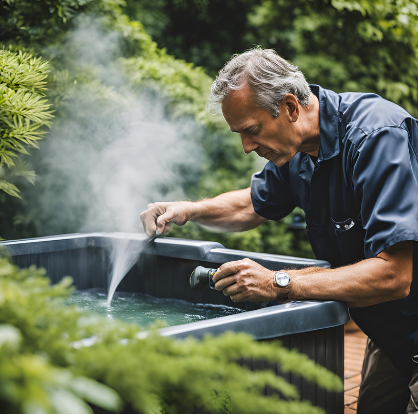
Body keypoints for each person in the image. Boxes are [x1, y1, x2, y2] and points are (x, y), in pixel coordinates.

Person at [140, 48, 418, 414]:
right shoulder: (298, 151)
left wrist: (278, 283)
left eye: (251, 131)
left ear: (290, 107)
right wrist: (189, 210)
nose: (246, 147)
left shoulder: (375, 137)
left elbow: (395, 274)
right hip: (391, 331)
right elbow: (250, 205)